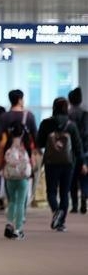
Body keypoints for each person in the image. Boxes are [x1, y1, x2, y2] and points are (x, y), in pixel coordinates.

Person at [37, 97, 87, 232]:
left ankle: (56, 211)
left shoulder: (46, 123)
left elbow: (40, 143)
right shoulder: (71, 125)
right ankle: (61, 223)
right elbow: (78, 147)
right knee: (65, 192)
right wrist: (82, 163)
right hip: (68, 163)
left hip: (51, 162)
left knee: (51, 191)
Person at [2, 121, 33, 240]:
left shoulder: (8, 145)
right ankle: (18, 229)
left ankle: (9, 223)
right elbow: (30, 159)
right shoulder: (25, 145)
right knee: (21, 202)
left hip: (10, 177)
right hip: (22, 178)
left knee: (12, 201)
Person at [67, 87, 88, 214]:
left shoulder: (68, 115)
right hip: (85, 150)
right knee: (85, 177)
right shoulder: (85, 114)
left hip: (71, 152)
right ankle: (85, 196)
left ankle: (74, 205)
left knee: (72, 179)